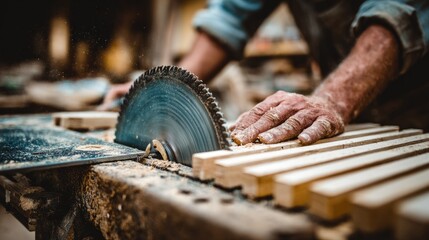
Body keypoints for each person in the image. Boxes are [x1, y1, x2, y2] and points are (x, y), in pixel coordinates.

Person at [100, 0, 429, 146]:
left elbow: (397, 13)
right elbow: (229, 15)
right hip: (350, 109)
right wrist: (165, 89)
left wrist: (335, 98)